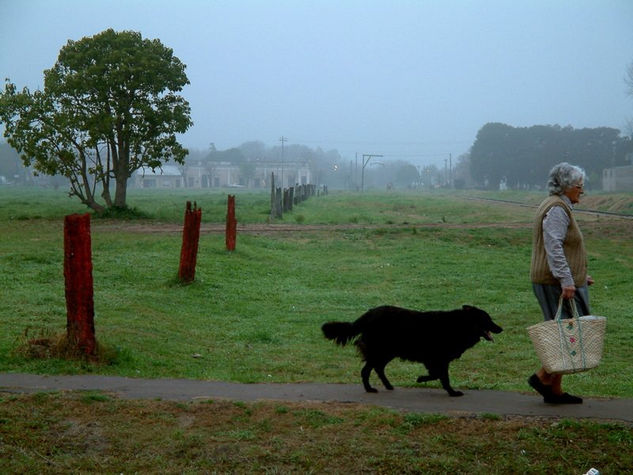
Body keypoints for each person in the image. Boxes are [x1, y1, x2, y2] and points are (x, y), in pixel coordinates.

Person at [528, 162, 594, 404]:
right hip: (554, 282)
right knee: (570, 333)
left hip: (558, 279)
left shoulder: (558, 205)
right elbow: (553, 247)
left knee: (566, 331)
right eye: (579, 186)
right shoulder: (556, 209)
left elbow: (562, 248)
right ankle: (542, 376)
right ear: (566, 186)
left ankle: (554, 391)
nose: (582, 191)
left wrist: (578, 275)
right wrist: (567, 280)